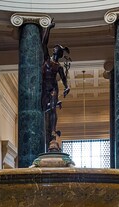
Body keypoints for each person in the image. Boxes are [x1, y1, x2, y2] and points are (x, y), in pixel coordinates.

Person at [42, 20, 70, 148]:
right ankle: (49, 132)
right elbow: (43, 42)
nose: (54, 48)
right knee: (43, 108)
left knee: (52, 109)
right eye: (55, 47)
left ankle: (53, 131)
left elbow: (63, 78)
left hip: (53, 88)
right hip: (44, 87)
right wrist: (48, 28)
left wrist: (67, 87)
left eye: (56, 48)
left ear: (58, 52)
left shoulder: (58, 66)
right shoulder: (47, 59)